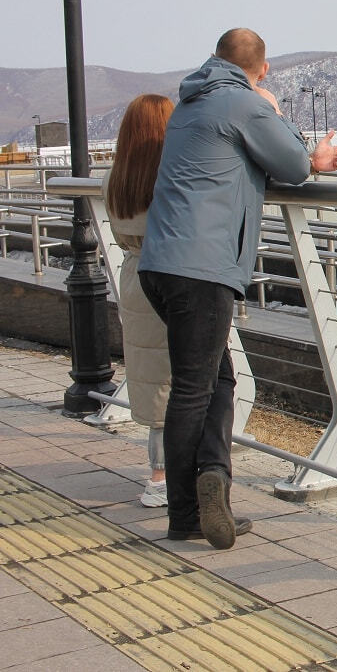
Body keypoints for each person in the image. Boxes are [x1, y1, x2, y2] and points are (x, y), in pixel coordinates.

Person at [139, 28, 337, 549]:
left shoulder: (192, 101)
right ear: (264, 67)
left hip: (161, 263)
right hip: (201, 266)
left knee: (216, 379)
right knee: (196, 387)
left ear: (216, 58)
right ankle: (187, 512)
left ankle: (214, 478)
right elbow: (294, 165)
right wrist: (285, 123)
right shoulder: (242, 102)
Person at [104, 94, 175, 508]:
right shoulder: (169, 174)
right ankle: (169, 476)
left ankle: (158, 475)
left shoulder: (116, 176)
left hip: (133, 274)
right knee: (185, 373)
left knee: (152, 377)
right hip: (172, 270)